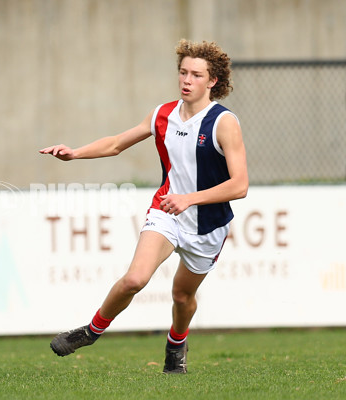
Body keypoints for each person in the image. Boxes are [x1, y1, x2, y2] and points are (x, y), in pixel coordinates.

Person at [39, 39, 248, 374]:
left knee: (182, 297)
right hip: (166, 210)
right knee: (135, 279)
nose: (186, 80)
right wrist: (75, 152)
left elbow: (240, 185)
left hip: (208, 224)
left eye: (196, 75)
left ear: (212, 82)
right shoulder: (162, 114)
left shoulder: (224, 122)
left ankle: (177, 342)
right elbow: (116, 143)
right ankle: (91, 331)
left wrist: (189, 199)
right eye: (183, 72)